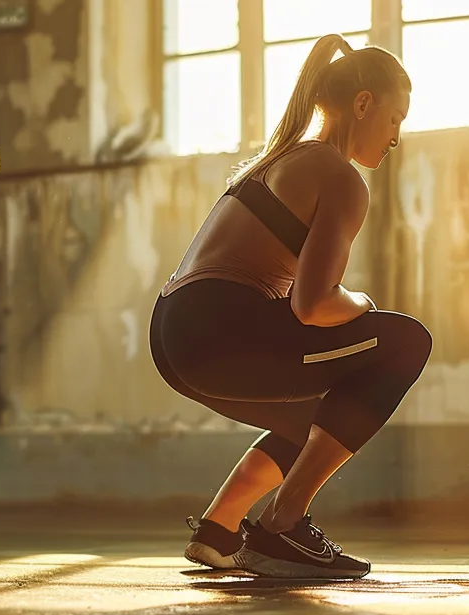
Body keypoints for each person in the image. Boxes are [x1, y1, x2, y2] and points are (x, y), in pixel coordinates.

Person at [149, 34, 428, 579]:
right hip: (218, 330)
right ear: (364, 104)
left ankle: (219, 530)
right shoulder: (341, 177)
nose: (396, 137)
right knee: (406, 342)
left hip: (174, 332)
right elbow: (314, 306)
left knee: (321, 417)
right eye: (394, 118)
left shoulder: (280, 157)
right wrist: (364, 304)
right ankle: (282, 525)